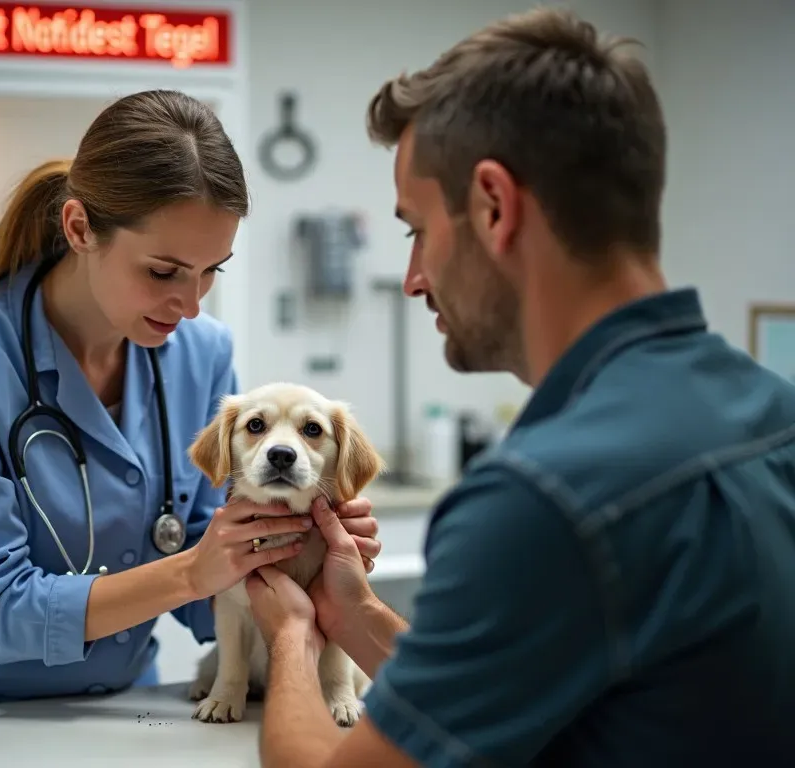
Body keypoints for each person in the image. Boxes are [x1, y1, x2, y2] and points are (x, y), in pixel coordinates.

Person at [245, 8, 795, 768]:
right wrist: (357, 613)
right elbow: (504, 691)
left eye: (415, 230)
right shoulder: (773, 413)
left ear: (495, 207)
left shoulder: (542, 499)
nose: (411, 280)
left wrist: (291, 637)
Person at [0, 89, 382, 722]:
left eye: (212, 271)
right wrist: (192, 573)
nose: (191, 304)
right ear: (79, 228)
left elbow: (214, 563)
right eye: (163, 271)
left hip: (115, 706)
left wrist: (301, 553)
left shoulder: (201, 352)